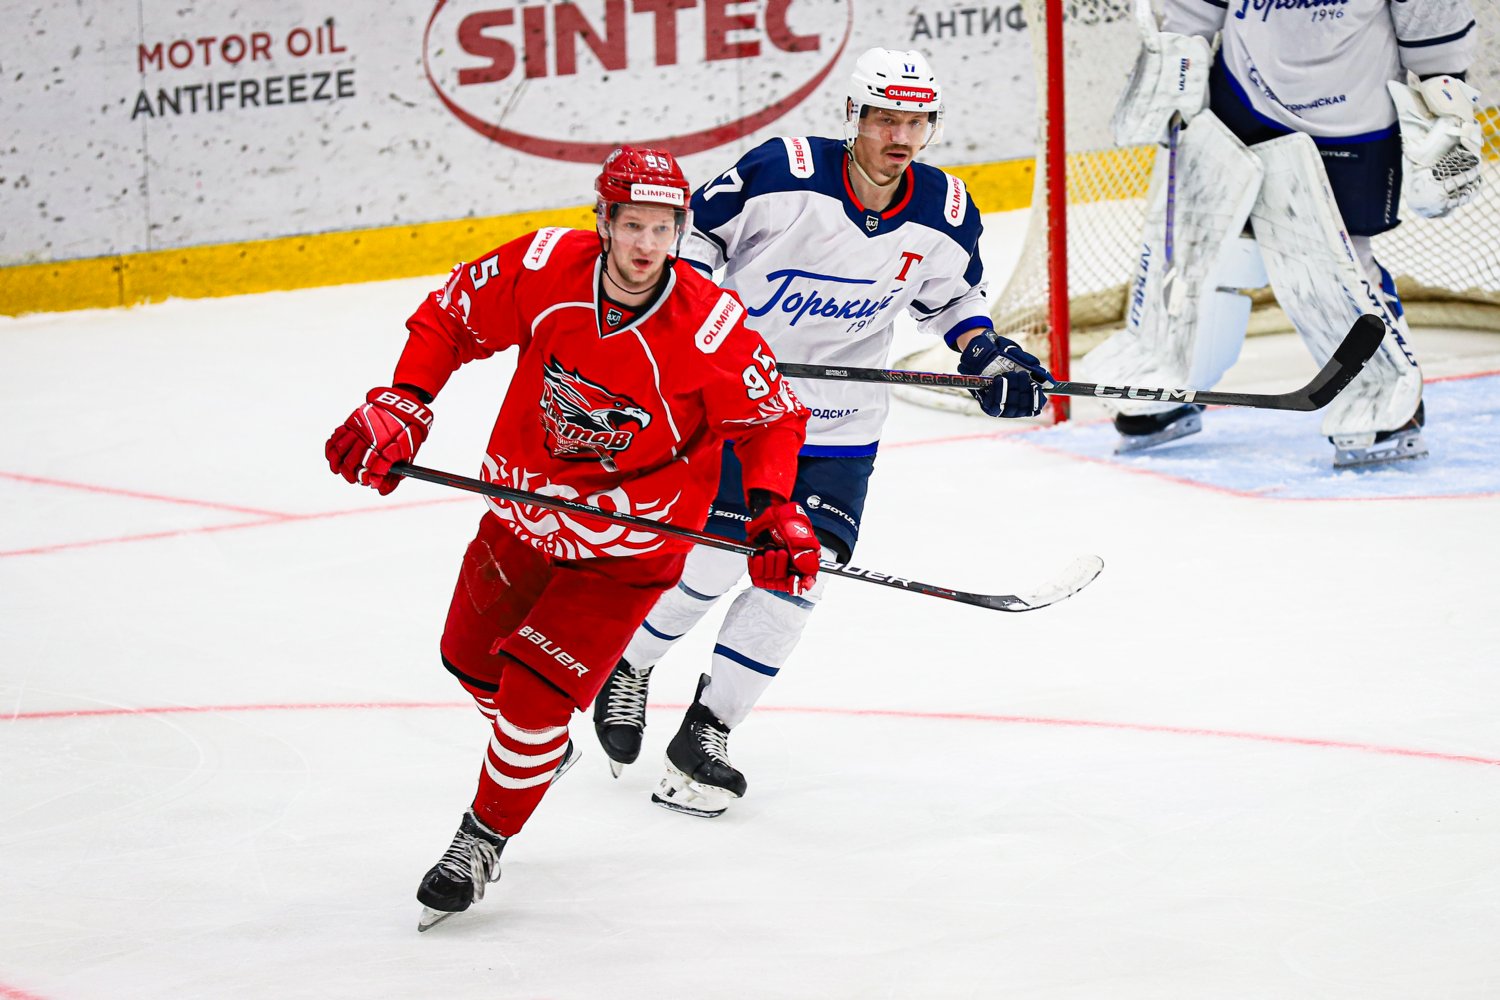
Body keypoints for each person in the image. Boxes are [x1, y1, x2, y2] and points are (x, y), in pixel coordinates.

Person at [324, 146, 816, 930]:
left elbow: (771, 418)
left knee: (531, 699)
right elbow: (450, 315)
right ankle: (539, 751)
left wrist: (773, 508)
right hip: (521, 518)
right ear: (604, 220)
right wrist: (404, 400)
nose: (647, 245)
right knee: (467, 660)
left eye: (663, 228)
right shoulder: (545, 265)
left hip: (625, 554)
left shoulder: (708, 323)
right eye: (633, 225)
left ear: (680, 230)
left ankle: (481, 837)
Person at [590, 48, 1053, 818]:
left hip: (842, 424)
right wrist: (694, 316)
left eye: (916, 122)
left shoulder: (944, 207)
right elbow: (697, 238)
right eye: (886, 119)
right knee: (719, 552)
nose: (901, 136)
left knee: (801, 570)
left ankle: (707, 732)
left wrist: (985, 352)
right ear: (853, 117)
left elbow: (951, 300)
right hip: (743, 404)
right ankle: (630, 665)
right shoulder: (784, 172)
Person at [1086, 0, 1481, 467]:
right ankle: (1172, 379)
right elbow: (1191, 15)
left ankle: (1381, 395)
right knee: (1204, 245)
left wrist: (1447, 112)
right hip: (1241, 99)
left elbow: (1437, 46)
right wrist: (1175, 59)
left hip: (1351, 123)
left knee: (1334, 267)